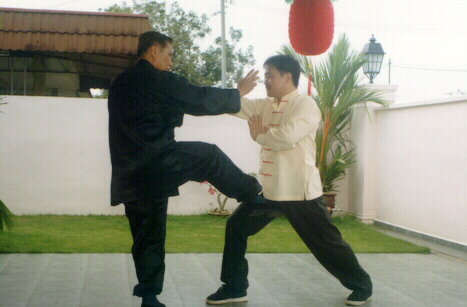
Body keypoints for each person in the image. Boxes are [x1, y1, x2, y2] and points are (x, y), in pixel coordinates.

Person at [108, 31, 263, 307]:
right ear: (153, 51)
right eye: (169, 54)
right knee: (208, 156)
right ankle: (252, 192)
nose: (171, 62)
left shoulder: (120, 83)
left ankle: (149, 297)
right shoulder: (158, 79)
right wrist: (236, 93)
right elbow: (198, 98)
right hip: (158, 161)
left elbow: (150, 113)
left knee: (147, 235)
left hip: (129, 174)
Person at [206, 55, 373, 306]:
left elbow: (287, 137)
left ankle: (362, 285)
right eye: (265, 76)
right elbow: (234, 106)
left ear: (287, 77)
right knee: (236, 226)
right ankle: (234, 287)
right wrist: (237, 91)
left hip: (299, 193)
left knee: (326, 244)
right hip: (271, 192)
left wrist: (261, 136)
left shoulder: (305, 105)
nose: (266, 80)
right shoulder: (265, 104)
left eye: (270, 75)